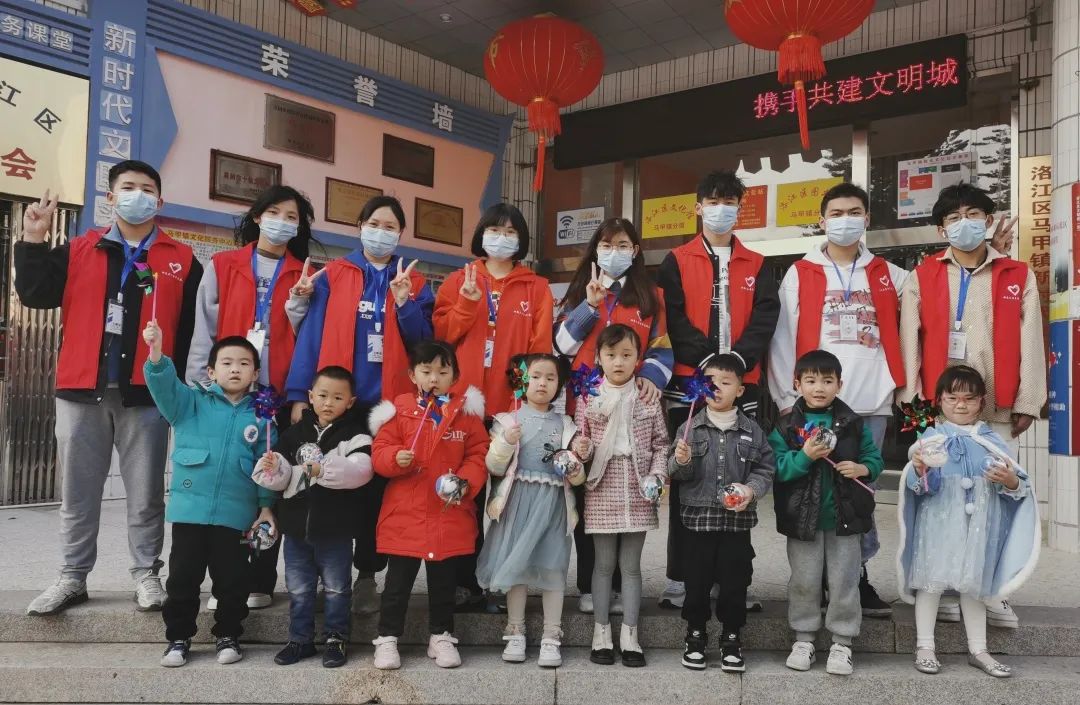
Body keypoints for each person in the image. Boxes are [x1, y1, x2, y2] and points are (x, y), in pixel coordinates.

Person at [17, 162, 202, 616]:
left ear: (159, 201)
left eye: (147, 189)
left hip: (149, 394)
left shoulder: (181, 259)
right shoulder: (80, 249)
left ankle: (146, 574)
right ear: (111, 197)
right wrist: (34, 241)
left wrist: (182, 391)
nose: (138, 195)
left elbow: (191, 332)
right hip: (82, 388)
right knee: (78, 492)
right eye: (128, 187)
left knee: (146, 494)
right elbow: (36, 294)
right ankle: (72, 575)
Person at [899, 183, 1045, 629]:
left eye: (974, 214)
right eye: (954, 217)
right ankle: (942, 586)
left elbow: (1031, 338)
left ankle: (994, 591)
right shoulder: (923, 274)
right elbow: (910, 337)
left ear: (988, 219)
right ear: (942, 229)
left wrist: (1028, 399)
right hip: (942, 408)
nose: (965, 223)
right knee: (939, 501)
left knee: (993, 499)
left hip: (995, 406)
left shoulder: (1017, 273)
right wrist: (912, 396)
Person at [286, 195, 434, 614]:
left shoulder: (415, 281)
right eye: (374, 223)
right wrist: (299, 394)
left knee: (376, 495)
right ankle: (325, 575)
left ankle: (367, 575)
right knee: (326, 486)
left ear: (400, 234)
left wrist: (405, 304)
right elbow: (310, 335)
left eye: (390, 227)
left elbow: (423, 343)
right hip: (340, 404)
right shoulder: (333, 274)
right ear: (360, 226)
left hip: (389, 407)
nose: (381, 232)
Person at [768, 182, 905, 619]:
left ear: (867, 219)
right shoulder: (801, 272)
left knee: (859, 493)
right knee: (815, 490)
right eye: (837, 213)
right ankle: (817, 580)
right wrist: (787, 398)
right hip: (814, 404)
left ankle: (855, 576)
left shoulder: (889, 273)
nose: (846, 220)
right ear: (822, 220)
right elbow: (783, 338)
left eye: (855, 212)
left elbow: (921, 319)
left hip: (870, 401)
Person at [657, 169, 779, 610]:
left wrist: (738, 364)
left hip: (743, 384)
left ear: (739, 210)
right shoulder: (675, 259)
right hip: (691, 383)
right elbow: (672, 316)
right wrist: (707, 360)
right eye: (713, 202)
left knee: (738, 477)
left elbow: (765, 317)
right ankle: (681, 578)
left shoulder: (758, 263)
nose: (721, 210)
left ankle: (732, 582)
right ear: (698, 207)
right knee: (689, 475)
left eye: (729, 203)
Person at [188, 184, 314, 610]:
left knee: (271, 481)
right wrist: (200, 387)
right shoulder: (222, 265)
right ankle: (225, 580)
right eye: (274, 212)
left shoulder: (306, 274)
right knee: (229, 481)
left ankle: (260, 578)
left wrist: (300, 394)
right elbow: (203, 329)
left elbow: (309, 340)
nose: (282, 222)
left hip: (278, 395)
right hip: (226, 394)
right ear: (258, 217)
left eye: (292, 217)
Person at [434, 203, 553, 610]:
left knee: (507, 500)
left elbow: (539, 351)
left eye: (510, 231)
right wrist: (467, 304)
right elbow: (442, 335)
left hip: (511, 410)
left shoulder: (536, 287)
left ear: (521, 239)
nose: (501, 238)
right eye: (494, 229)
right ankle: (464, 581)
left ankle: (501, 581)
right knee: (465, 495)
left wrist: (527, 402)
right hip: (463, 406)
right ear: (480, 234)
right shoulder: (459, 279)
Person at [554, 216, 672, 614]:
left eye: (623, 245)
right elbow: (562, 346)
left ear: (635, 251)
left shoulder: (651, 296)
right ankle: (590, 584)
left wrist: (650, 377)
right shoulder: (579, 291)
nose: (614, 252)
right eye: (607, 245)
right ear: (596, 250)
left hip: (633, 408)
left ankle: (621, 586)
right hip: (588, 409)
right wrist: (589, 305)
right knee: (588, 494)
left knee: (627, 497)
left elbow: (661, 348)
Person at [141, 326, 277, 668]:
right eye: (227, 363)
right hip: (190, 511)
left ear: (255, 373)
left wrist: (265, 507)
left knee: (233, 580)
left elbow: (266, 466)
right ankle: (178, 638)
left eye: (244, 363)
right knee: (182, 579)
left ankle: (228, 634)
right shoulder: (190, 402)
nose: (235, 369)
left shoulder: (262, 416)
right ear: (212, 371)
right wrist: (156, 355)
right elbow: (164, 387)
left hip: (236, 514)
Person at [898, 366, 1039, 677]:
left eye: (969, 398)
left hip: (979, 528)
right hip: (938, 525)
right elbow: (918, 488)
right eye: (952, 398)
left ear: (981, 402)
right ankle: (925, 646)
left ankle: (979, 649)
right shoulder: (930, 438)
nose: (960, 405)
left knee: (974, 586)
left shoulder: (993, 440)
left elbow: (1017, 486)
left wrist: (1010, 481)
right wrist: (921, 471)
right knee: (931, 583)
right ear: (939, 400)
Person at [367, 341, 489, 671]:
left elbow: (478, 454)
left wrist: (465, 481)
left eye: (442, 372)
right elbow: (380, 451)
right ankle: (387, 637)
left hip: (448, 510)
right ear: (413, 375)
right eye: (426, 371)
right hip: (405, 512)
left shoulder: (466, 415)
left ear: (455, 377)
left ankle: (441, 635)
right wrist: (395, 458)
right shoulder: (397, 411)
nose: (434, 378)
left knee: (443, 584)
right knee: (397, 584)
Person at [768, 350, 884, 676]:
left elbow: (874, 459)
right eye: (811, 380)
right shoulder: (787, 426)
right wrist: (804, 456)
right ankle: (803, 638)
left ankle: (842, 641)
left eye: (827, 381)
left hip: (845, 517)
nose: (819, 388)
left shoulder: (853, 424)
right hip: (802, 519)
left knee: (845, 580)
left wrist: (861, 468)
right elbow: (777, 468)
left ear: (839, 385)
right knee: (804, 581)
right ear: (797, 384)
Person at [254, 366, 375, 669]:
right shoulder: (293, 434)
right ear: (310, 396)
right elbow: (282, 478)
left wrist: (325, 470)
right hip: (296, 529)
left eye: (338, 397)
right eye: (322, 395)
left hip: (335, 528)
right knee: (299, 588)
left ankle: (336, 637)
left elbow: (361, 470)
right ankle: (300, 639)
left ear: (351, 401)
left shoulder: (356, 435)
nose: (328, 402)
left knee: (337, 588)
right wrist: (273, 467)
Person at [477, 353, 585, 668]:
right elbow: (494, 466)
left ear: (559, 385)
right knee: (517, 564)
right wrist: (505, 442)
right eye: (536, 376)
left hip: (553, 503)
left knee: (553, 566)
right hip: (518, 502)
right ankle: (515, 629)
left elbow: (577, 477)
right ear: (523, 380)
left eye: (551, 378)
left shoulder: (567, 425)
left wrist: (576, 464)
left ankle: (552, 634)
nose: (542, 383)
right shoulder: (507, 420)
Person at [572, 324, 669, 668]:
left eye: (626, 355)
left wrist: (658, 476)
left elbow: (661, 444)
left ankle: (630, 635)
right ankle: (600, 634)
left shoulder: (648, 396)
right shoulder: (588, 396)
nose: (618, 362)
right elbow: (579, 439)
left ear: (638, 358)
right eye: (611, 355)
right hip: (601, 483)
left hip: (638, 484)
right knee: (603, 565)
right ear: (598, 357)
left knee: (630, 566)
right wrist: (581, 448)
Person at [670, 353, 775, 672]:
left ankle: (731, 636)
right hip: (698, 522)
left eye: (725, 382)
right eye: (710, 382)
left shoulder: (752, 430)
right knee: (696, 582)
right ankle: (695, 634)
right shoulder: (690, 427)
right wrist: (681, 460)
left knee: (735, 582)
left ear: (740, 390)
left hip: (736, 523)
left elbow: (765, 468)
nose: (716, 388)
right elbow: (677, 473)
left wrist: (751, 490)